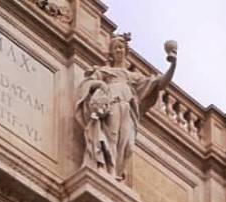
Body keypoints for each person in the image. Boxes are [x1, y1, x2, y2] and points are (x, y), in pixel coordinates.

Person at [76, 33, 178, 182]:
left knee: (128, 145)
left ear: (126, 51)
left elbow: (160, 83)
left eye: (121, 47)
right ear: (111, 52)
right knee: (112, 136)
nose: (118, 50)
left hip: (128, 109)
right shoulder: (103, 71)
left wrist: (173, 64)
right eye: (115, 48)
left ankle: (116, 172)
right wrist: (101, 84)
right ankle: (106, 170)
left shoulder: (134, 77)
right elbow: (86, 85)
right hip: (112, 104)